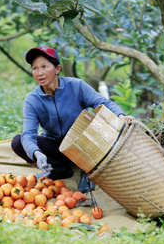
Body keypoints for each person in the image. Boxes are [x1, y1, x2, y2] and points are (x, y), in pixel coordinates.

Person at [11, 46, 133, 190]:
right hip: (58, 147)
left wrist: (121, 116)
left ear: (57, 69)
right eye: (35, 68)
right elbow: (28, 135)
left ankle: (87, 171)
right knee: (18, 142)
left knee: (95, 133)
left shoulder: (77, 86)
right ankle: (59, 169)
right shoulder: (32, 100)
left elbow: (103, 103)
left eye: (44, 66)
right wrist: (37, 154)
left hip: (84, 145)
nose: (39, 73)